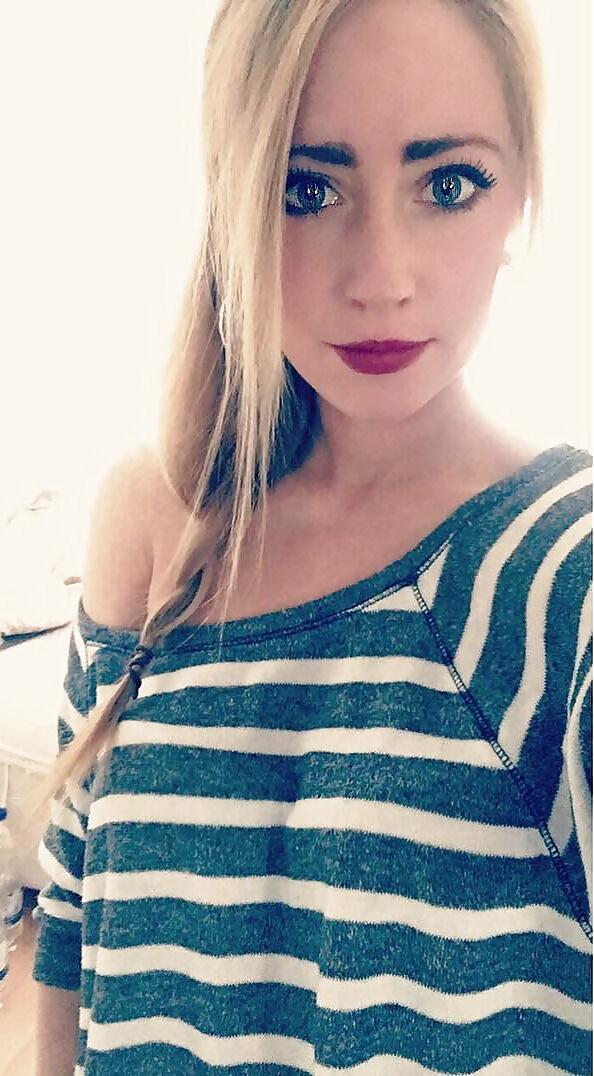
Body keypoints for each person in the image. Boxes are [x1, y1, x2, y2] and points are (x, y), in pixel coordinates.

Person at [31, 0, 592, 1072]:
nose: (381, 277)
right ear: (234, 199)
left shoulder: (558, 569)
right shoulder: (153, 519)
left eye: (449, 183)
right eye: (306, 190)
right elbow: (69, 922)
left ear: (522, 194)